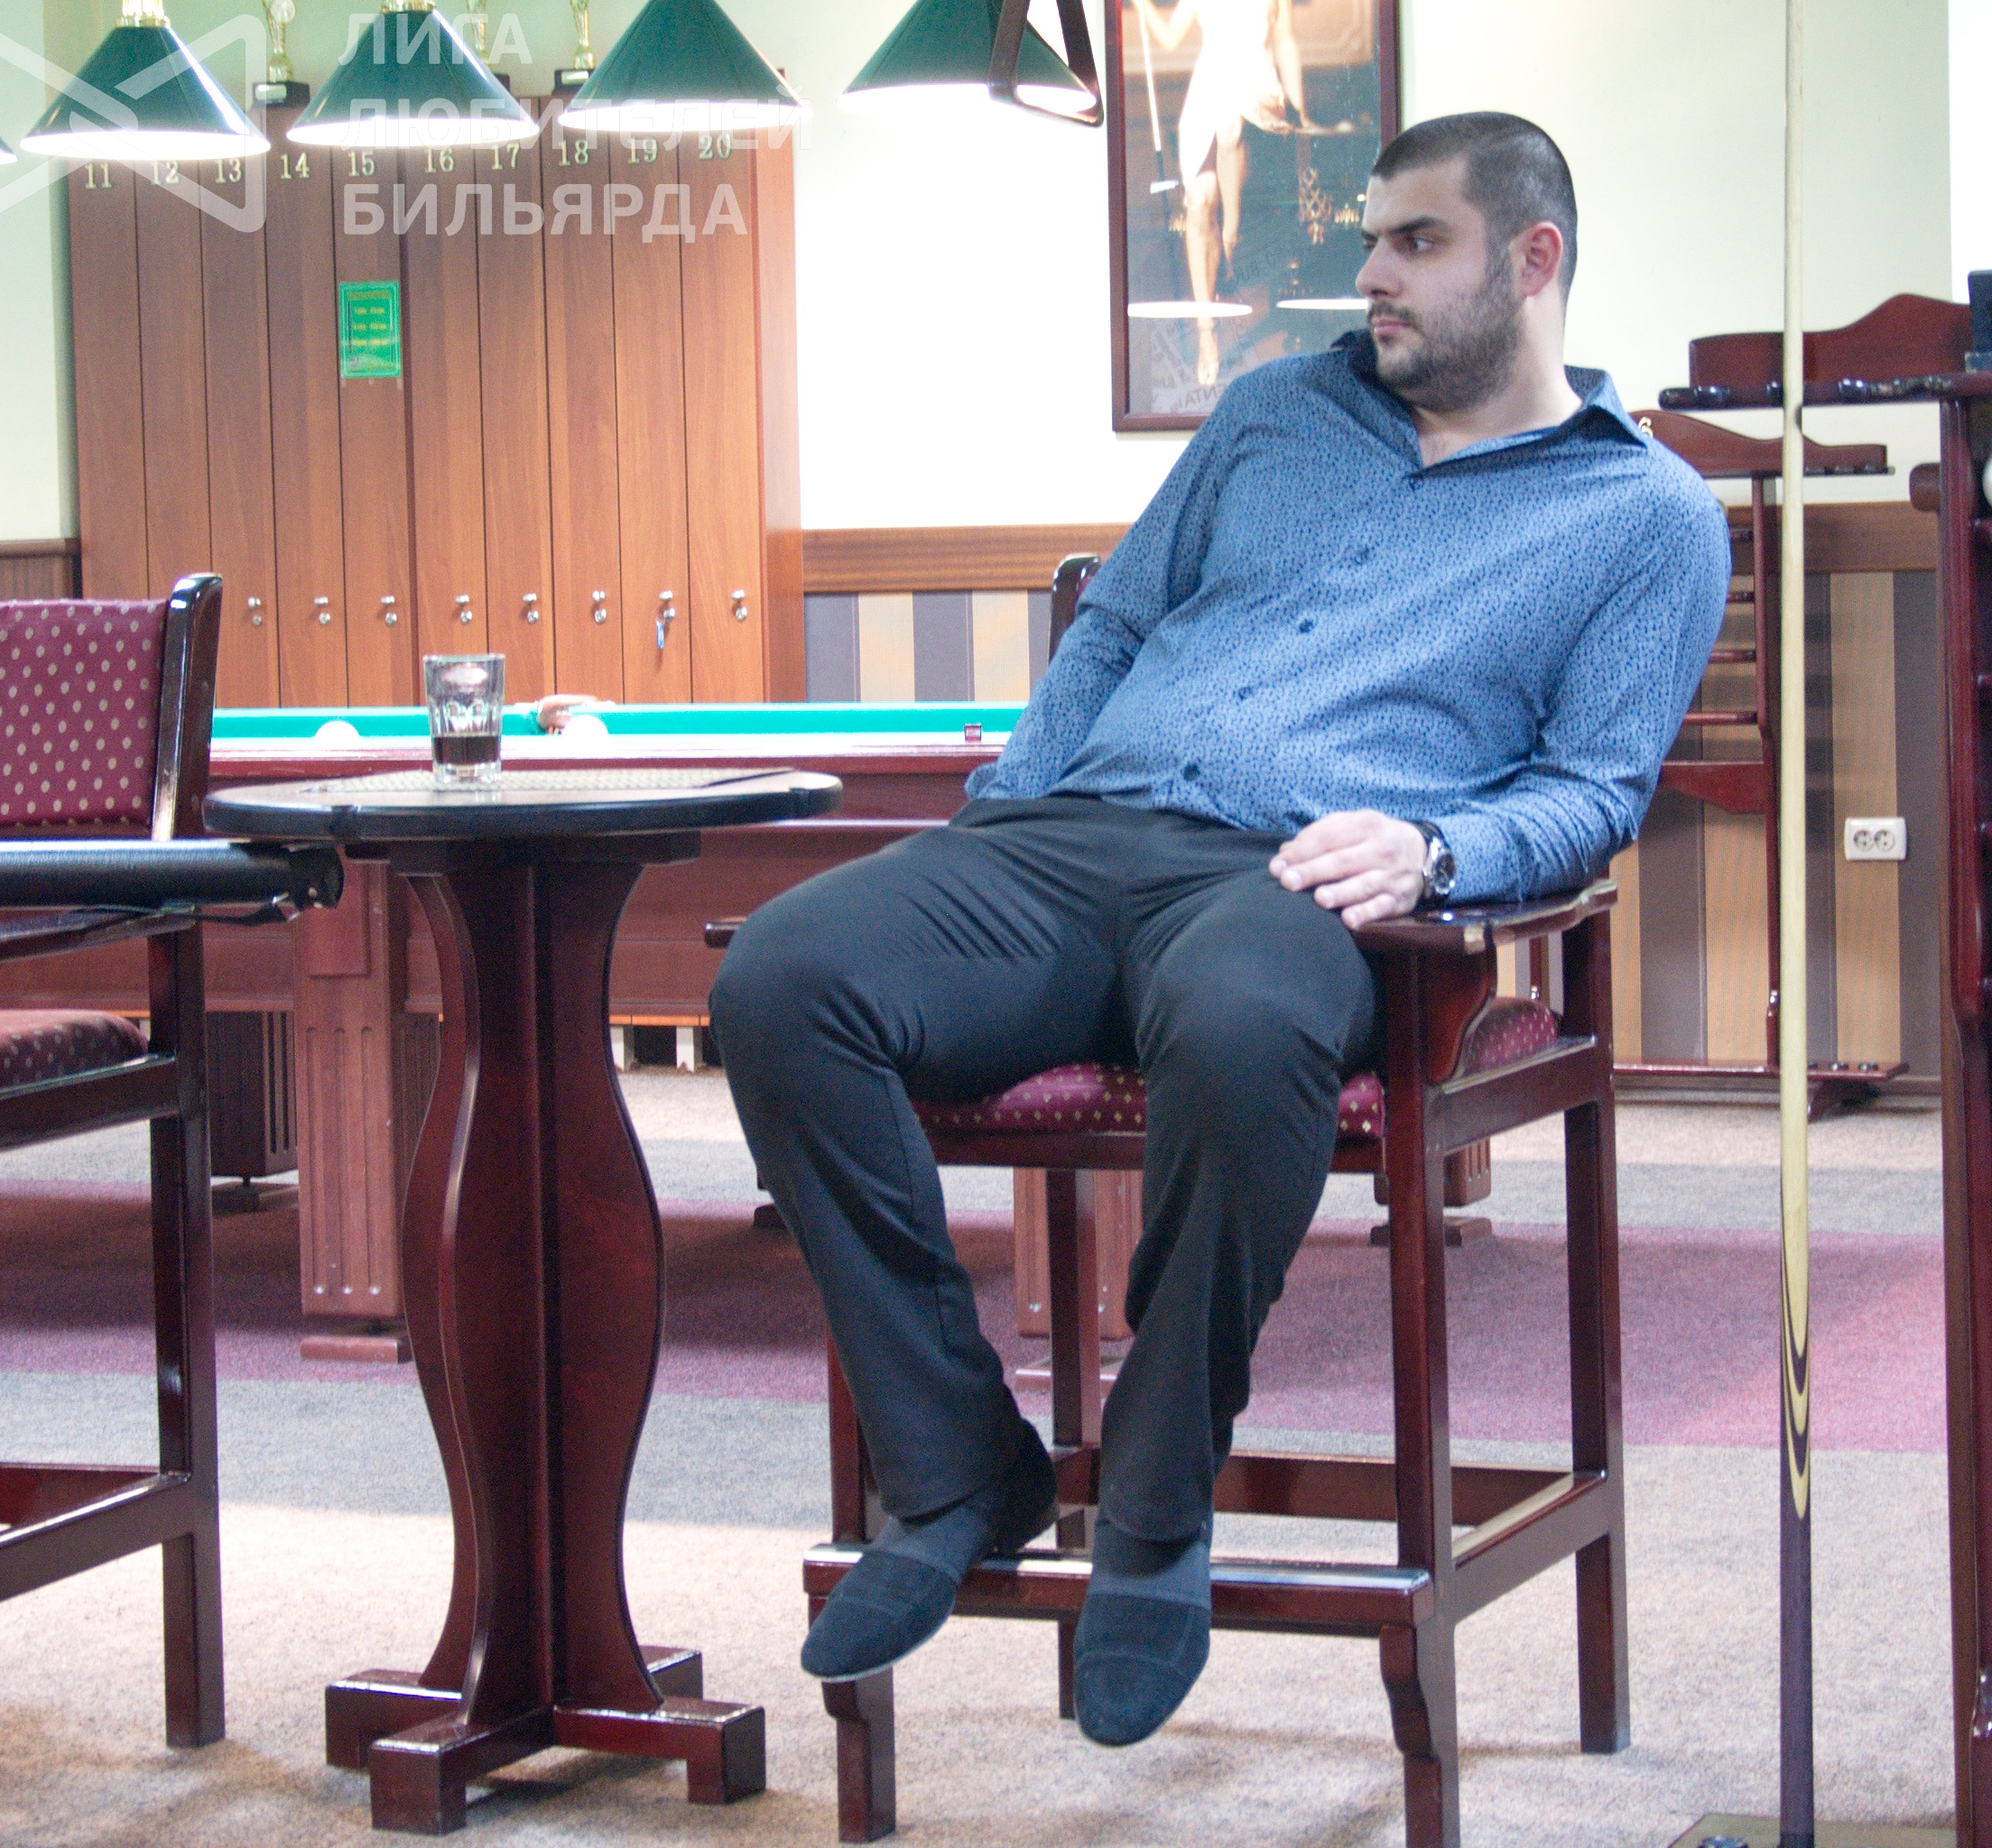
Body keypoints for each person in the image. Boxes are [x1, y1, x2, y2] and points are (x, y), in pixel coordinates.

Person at [711, 111, 1729, 1749]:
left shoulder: (1647, 516)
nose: (1373, 273)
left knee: (1246, 1034)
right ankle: (956, 1462)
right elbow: (1117, 621)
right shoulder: (1272, 414)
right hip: (1073, 837)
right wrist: (1010, 810)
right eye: (1372, 238)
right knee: (783, 977)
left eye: (1418, 242)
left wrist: (1436, 847)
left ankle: (1156, 1501)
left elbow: (1595, 790)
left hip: (1295, 882)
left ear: (1533, 259)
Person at [1132, 0, 1308, 385]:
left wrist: (1300, 110)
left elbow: (1286, 42)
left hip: (1257, 91)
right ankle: (1205, 329)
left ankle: (1232, 234)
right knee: (1198, 201)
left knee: (1229, 122)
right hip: (1208, 90)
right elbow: (1170, 38)